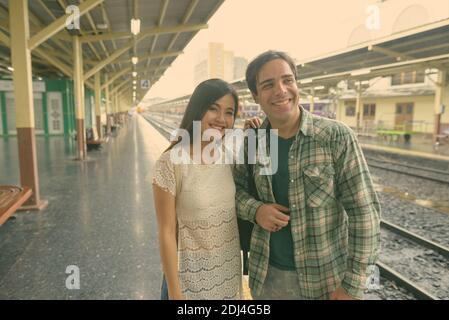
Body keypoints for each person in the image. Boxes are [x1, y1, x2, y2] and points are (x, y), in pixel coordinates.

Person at [233, 51, 381, 300]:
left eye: (287, 80)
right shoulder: (254, 141)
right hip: (267, 278)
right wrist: (256, 210)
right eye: (268, 85)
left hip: (326, 281)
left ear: (296, 84)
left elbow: (364, 213)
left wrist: (352, 286)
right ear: (256, 96)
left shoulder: (336, 137)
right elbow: (235, 191)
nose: (281, 90)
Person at [152, 79, 242, 300]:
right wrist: (175, 294)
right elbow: (166, 232)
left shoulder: (229, 157)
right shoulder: (172, 162)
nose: (221, 119)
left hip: (228, 278)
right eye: (213, 108)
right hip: (189, 284)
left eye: (229, 112)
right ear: (197, 109)